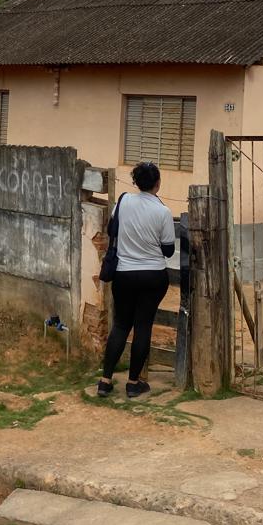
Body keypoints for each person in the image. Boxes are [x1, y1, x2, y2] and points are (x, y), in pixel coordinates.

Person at [97, 161, 176, 399]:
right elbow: (169, 250)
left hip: (124, 274)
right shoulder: (163, 212)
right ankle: (133, 383)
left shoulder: (123, 201)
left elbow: (111, 229)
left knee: (121, 325)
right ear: (158, 184)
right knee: (143, 326)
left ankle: (105, 381)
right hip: (153, 276)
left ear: (136, 182)